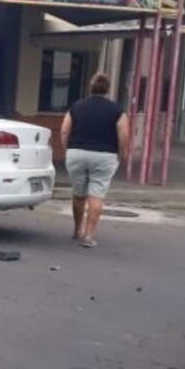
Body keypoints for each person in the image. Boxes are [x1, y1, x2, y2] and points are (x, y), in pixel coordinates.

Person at [60, 73, 130, 248]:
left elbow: (64, 131)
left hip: (77, 153)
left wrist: (67, 149)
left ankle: (77, 230)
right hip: (105, 156)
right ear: (108, 89)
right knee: (96, 195)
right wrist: (121, 154)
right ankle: (89, 236)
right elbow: (124, 135)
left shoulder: (76, 107)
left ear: (90, 87)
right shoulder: (117, 110)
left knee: (78, 194)